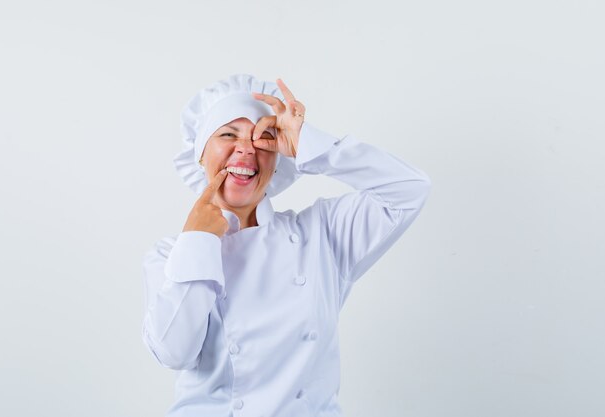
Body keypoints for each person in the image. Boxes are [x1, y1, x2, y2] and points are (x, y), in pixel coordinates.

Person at [142, 74, 431, 417]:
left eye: (263, 136)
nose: (246, 148)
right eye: (227, 135)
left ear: (278, 157)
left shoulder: (322, 235)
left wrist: (310, 144)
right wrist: (199, 241)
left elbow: (410, 190)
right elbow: (175, 352)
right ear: (200, 155)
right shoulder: (170, 255)